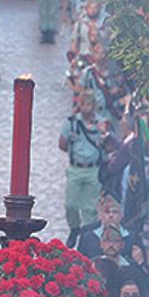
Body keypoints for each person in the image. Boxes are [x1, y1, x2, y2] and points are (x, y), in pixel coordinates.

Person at [60, 91, 108, 236]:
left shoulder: (101, 123)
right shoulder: (71, 122)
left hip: (94, 169)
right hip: (76, 168)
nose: (86, 108)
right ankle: (74, 228)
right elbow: (62, 144)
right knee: (70, 205)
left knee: (90, 208)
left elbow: (108, 144)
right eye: (83, 104)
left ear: (94, 106)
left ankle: (87, 236)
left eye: (89, 104)